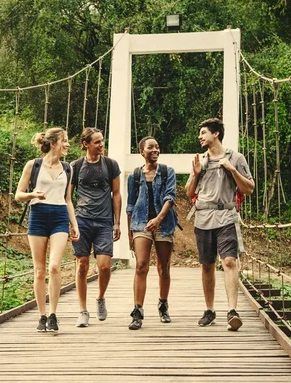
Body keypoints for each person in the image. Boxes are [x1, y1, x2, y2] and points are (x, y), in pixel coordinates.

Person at [184, 118, 254, 331]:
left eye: (203, 132)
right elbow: (189, 193)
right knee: (207, 265)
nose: (200, 136)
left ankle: (232, 311)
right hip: (204, 218)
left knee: (229, 261)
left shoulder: (236, 158)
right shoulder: (201, 160)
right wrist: (195, 174)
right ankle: (209, 310)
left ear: (216, 134)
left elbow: (249, 188)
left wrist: (232, 170)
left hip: (226, 217)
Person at [14, 127, 79, 334]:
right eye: (64, 141)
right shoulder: (33, 165)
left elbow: (68, 200)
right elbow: (18, 194)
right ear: (53, 143)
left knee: (54, 267)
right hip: (38, 216)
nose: (67, 144)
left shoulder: (68, 168)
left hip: (59, 216)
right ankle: (41, 315)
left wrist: (74, 224)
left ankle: (53, 314)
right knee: (40, 270)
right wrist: (33, 194)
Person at [69, 127, 122, 327]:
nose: (101, 145)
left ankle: (100, 298)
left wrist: (117, 222)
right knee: (82, 265)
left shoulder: (110, 165)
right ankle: (82, 310)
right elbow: (68, 197)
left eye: (102, 141)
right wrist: (71, 222)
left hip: (103, 221)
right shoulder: (75, 166)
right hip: (82, 220)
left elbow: (116, 193)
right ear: (86, 144)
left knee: (104, 266)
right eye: (97, 142)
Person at [126, 136, 178, 330]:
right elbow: (130, 206)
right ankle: (137, 311)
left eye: (157, 146)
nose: (155, 150)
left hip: (163, 224)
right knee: (141, 266)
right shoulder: (134, 176)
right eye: (151, 147)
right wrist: (130, 232)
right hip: (140, 224)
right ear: (142, 152)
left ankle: (163, 304)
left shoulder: (167, 172)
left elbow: (170, 197)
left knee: (163, 267)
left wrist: (158, 219)